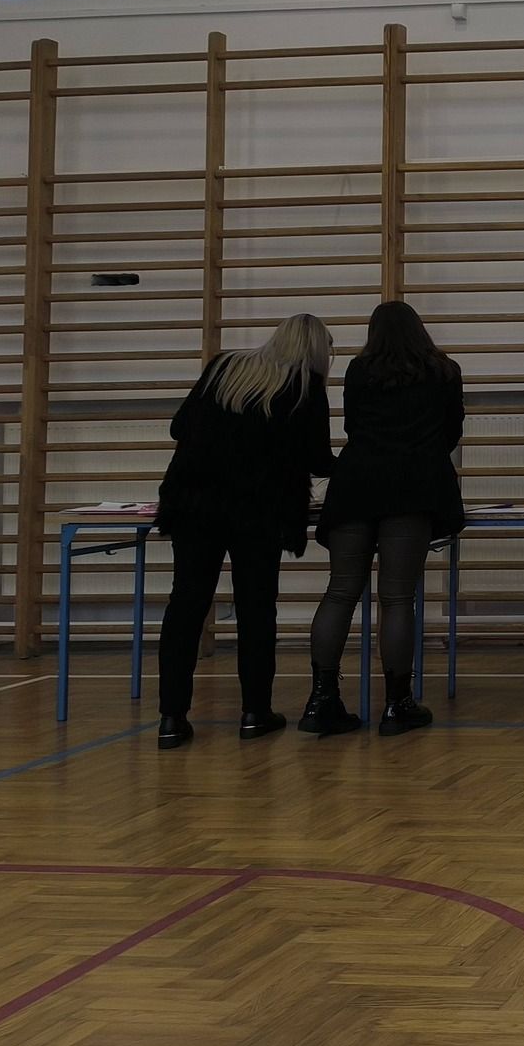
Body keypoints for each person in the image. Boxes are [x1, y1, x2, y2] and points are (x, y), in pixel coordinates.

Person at [153, 314, 334, 749]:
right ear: (315, 351)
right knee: (256, 608)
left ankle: (171, 718)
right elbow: (318, 460)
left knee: (186, 605)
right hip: (259, 511)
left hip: (195, 504)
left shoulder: (224, 367)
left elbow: (179, 427)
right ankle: (255, 712)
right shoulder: (305, 386)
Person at [304, 301, 465, 738]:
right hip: (413, 487)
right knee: (396, 598)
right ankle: (397, 704)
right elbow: (451, 432)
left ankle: (320, 700)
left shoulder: (359, 370)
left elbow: (353, 427)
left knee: (340, 591)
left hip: (356, 484)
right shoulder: (444, 370)